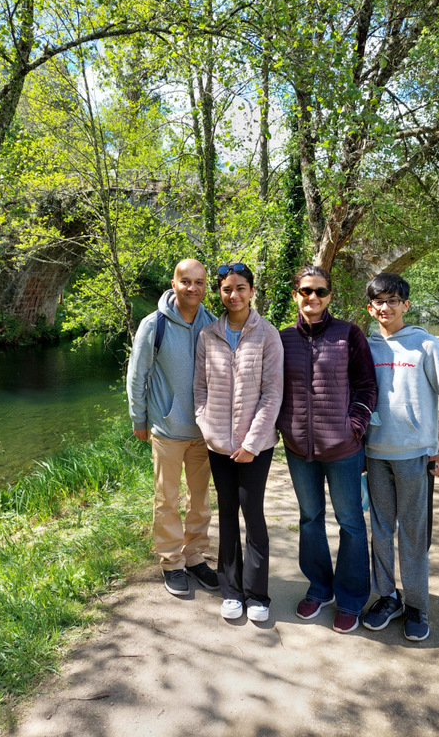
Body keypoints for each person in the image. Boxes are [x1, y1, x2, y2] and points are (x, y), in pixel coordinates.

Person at [362, 273, 439, 641]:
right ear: (370, 308)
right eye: (378, 301)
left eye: (393, 300)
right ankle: (388, 597)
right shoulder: (366, 346)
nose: (385, 307)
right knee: (381, 530)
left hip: (415, 458)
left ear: (406, 304)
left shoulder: (426, 345)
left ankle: (418, 605)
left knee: (413, 534)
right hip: (375, 456)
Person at [277, 265, 377, 634]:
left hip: (343, 448)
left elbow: (367, 387)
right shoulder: (283, 338)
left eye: (320, 291)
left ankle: (351, 598)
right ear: (296, 295)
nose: (313, 298)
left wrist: (354, 428)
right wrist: (282, 427)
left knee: (350, 522)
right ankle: (319, 588)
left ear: (330, 296)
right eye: (306, 291)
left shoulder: (348, 334)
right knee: (309, 518)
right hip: (298, 448)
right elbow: (272, 389)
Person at [193, 262, 283, 622]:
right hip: (218, 446)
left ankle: (257, 594)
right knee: (227, 514)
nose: (234, 295)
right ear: (220, 292)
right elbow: (200, 390)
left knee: (253, 514)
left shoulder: (268, 335)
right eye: (227, 289)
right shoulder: (208, 336)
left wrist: (252, 442)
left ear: (252, 291)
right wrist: (209, 430)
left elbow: (273, 393)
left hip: (256, 447)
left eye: (241, 288)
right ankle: (230, 590)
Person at [126, 258, 219, 596]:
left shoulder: (212, 323)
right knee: (166, 500)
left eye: (199, 282)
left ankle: (195, 558)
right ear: (174, 283)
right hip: (166, 430)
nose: (193, 288)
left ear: (205, 285)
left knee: (200, 500)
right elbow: (138, 375)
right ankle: (171, 562)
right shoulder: (154, 325)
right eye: (186, 281)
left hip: (203, 433)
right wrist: (139, 418)